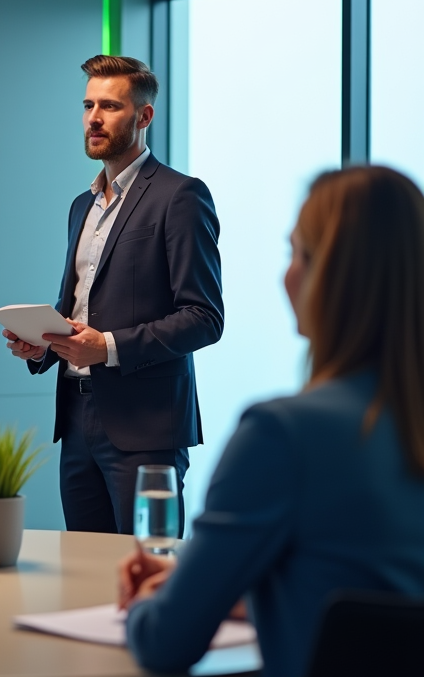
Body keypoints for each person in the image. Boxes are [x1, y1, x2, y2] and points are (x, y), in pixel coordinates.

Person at [118, 166, 424, 677]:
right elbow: (371, 601)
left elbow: (165, 643)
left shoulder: (283, 436)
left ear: (334, 276)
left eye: (297, 252)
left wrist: (145, 607)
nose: (287, 274)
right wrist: (220, 589)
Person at [4, 55, 223, 534]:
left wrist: (106, 346)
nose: (94, 118)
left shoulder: (180, 196)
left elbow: (204, 317)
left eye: (109, 106)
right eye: (87, 105)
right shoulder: (81, 205)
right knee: (84, 578)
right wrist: (42, 344)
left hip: (145, 428)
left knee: (145, 576)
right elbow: (80, 305)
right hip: (76, 418)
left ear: (143, 117)